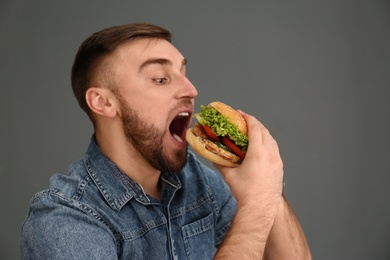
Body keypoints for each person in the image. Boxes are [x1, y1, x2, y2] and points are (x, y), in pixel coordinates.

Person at [20, 23, 311, 259]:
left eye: (183, 73)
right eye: (160, 79)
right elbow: (253, 222)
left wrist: (269, 185)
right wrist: (257, 203)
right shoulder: (64, 220)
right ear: (104, 103)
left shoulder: (198, 180)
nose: (191, 89)